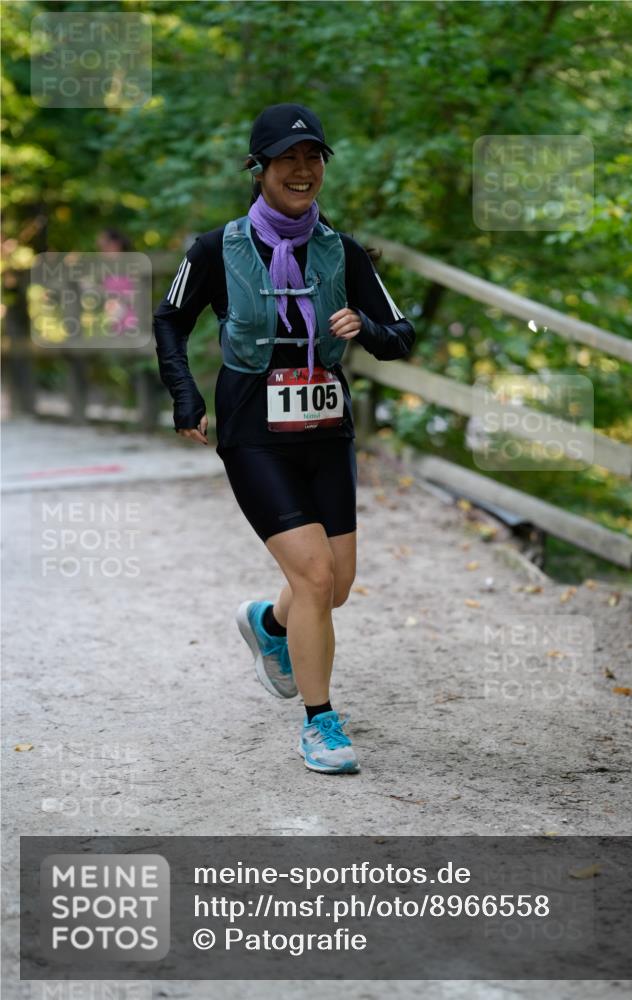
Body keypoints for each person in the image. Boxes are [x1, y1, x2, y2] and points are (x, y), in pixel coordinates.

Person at [153, 103, 415, 775]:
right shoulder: (216, 249)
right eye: (287, 159)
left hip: (326, 429)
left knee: (335, 586)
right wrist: (185, 393)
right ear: (260, 169)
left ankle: (270, 625)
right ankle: (319, 724)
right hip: (254, 431)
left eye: (312, 158)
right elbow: (170, 319)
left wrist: (365, 327)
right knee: (314, 575)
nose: (302, 170)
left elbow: (400, 335)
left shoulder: (341, 251)